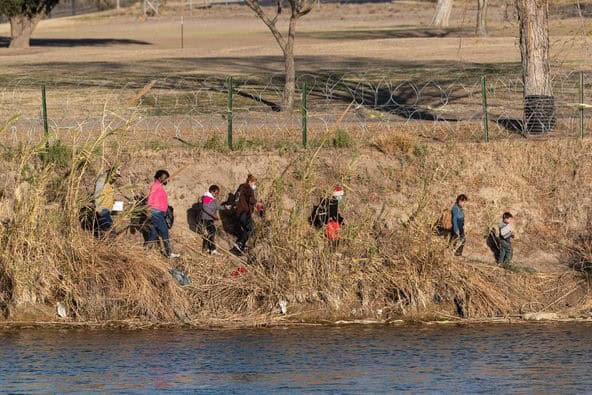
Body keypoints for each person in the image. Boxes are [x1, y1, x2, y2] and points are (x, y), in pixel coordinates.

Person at [146, 169, 180, 258]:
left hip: (159, 212)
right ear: (159, 178)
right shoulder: (156, 185)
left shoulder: (159, 186)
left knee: (154, 232)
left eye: (167, 178)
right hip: (156, 212)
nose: (166, 180)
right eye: (165, 178)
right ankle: (169, 253)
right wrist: (149, 209)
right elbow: (151, 197)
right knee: (164, 231)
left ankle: (146, 251)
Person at [232, 174, 258, 256]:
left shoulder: (241, 186)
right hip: (244, 212)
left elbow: (236, 197)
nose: (255, 185)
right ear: (250, 182)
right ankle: (239, 245)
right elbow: (251, 200)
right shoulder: (248, 188)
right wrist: (257, 202)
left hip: (238, 212)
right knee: (249, 229)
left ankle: (240, 245)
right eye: (254, 183)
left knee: (245, 229)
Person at [200, 185, 229, 255]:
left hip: (209, 218)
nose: (216, 195)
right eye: (215, 193)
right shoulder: (207, 197)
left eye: (217, 193)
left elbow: (218, 206)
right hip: (206, 218)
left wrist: (225, 207)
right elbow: (205, 208)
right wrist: (214, 216)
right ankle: (212, 249)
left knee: (209, 233)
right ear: (211, 191)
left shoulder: (212, 199)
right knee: (212, 231)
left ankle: (206, 248)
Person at [94, 167, 121, 235]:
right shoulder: (102, 179)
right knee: (110, 230)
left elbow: (111, 197)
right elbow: (97, 194)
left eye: (117, 176)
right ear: (110, 173)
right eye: (115, 175)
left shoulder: (111, 183)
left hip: (107, 209)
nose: (116, 178)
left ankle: (104, 243)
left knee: (107, 230)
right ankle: (109, 244)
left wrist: (116, 211)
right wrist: (98, 209)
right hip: (102, 209)